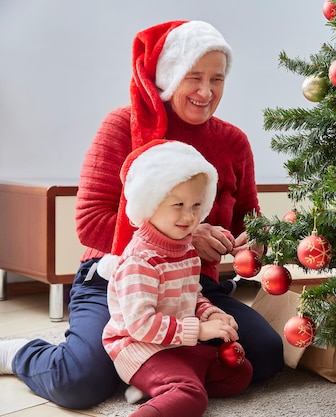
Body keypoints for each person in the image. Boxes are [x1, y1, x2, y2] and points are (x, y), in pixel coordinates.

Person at [0, 20, 284, 409]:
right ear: (169, 76)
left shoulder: (233, 141)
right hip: (117, 279)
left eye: (217, 79)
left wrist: (255, 240)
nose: (206, 91)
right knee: (79, 382)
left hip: (192, 287)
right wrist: (187, 236)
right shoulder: (122, 125)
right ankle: (18, 354)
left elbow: (247, 221)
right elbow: (90, 221)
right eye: (194, 77)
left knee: (264, 355)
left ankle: (156, 373)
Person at [101, 139, 252, 417]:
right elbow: (141, 326)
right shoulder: (140, 260)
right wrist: (200, 331)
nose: (189, 216)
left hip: (176, 343)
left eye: (196, 205)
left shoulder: (185, 249)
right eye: (178, 204)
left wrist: (211, 315)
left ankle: (161, 387)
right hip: (141, 348)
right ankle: (168, 388)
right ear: (151, 202)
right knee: (191, 396)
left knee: (239, 371)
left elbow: (192, 296)